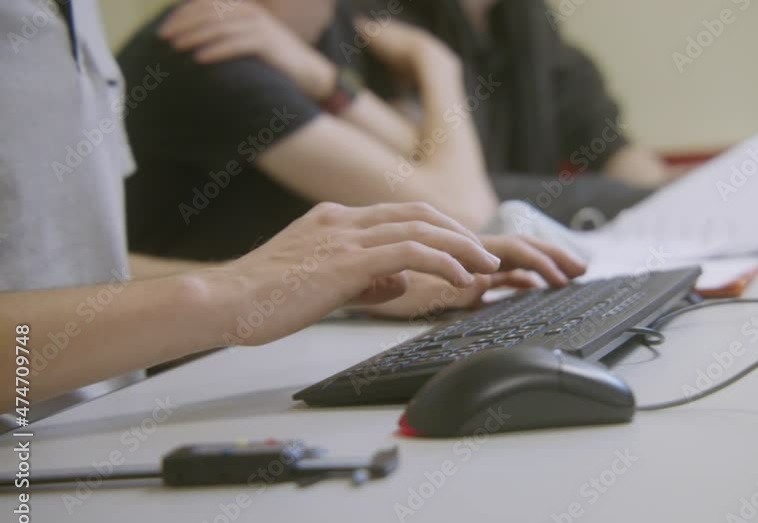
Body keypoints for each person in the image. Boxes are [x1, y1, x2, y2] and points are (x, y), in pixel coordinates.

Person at [0, 0, 585, 419]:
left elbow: (61, 270)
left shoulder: (74, 18)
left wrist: (321, 286)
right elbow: (465, 202)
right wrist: (226, 294)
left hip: (89, 429)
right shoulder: (208, 44)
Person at [119, 0, 500, 262]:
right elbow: (467, 218)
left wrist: (322, 77)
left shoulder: (266, 48)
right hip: (183, 363)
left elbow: (424, 154)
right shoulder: (213, 54)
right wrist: (438, 65)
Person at [360, 0, 678, 224]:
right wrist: (637, 200)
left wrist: (669, 203)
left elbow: (606, 140)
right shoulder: (383, 28)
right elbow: (457, 194)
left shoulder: (524, 19)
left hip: (523, 260)